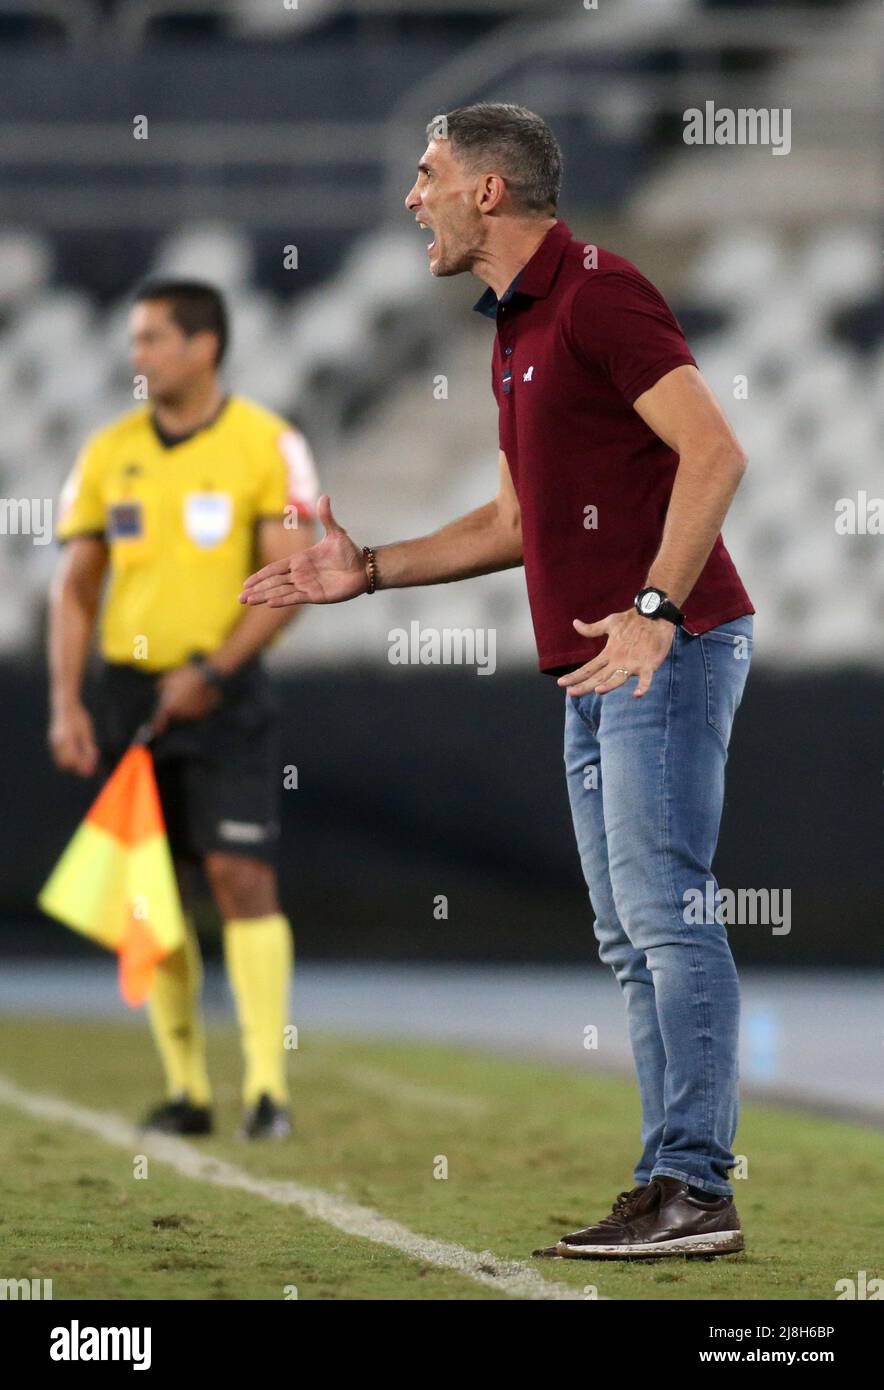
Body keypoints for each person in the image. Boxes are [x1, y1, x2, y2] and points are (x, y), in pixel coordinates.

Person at [240, 103, 754, 1255]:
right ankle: (667, 1180)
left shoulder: (601, 292)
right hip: (592, 665)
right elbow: (516, 520)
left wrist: (654, 613)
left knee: (667, 919)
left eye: (426, 175)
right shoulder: (517, 325)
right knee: (631, 938)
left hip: (661, 652)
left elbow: (714, 453)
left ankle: (696, 1187)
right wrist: (365, 569)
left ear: (486, 191)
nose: (411, 195)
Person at [48, 278, 319, 1140]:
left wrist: (214, 666)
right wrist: (66, 702)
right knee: (148, 897)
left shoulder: (266, 444)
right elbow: (76, 589)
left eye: (153, 339)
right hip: (130, 696)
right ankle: (187, 1089)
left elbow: (292, 585)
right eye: (135, 340)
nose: (139, 356)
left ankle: (268, 1090)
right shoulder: (107, 452)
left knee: (242, 877)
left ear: (205, 347)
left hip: (225, 694)